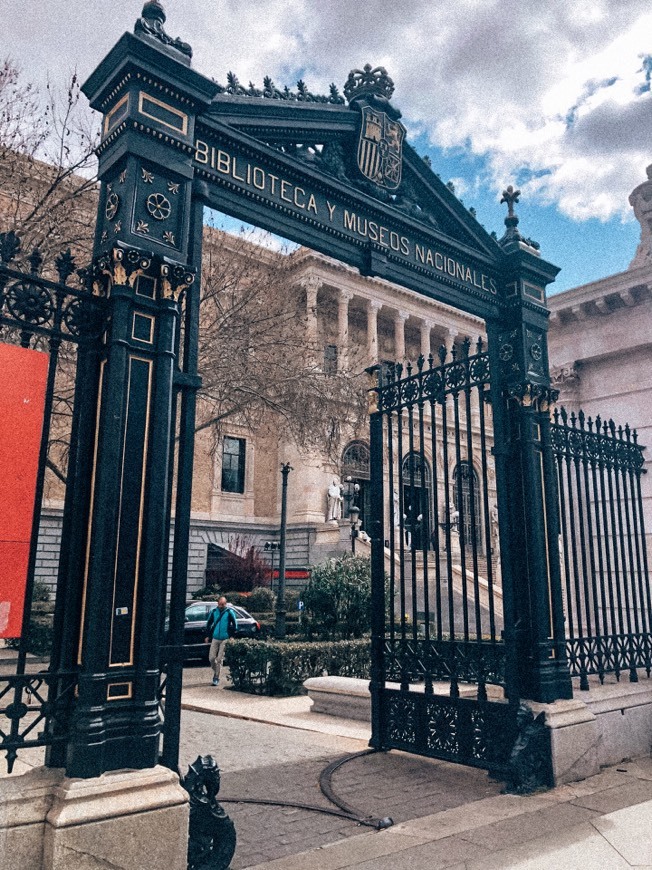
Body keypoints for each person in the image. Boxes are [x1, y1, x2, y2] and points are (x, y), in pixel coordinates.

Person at [204, 596, 237, 687]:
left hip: (225, 638)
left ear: (225, 604)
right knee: (211, 658)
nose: (221, 606)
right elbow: (208, 624)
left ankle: (216, 677)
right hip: (215, 637)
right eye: (219, 604)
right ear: (217, 604)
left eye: (222, 604)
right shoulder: (214, 612)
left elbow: (235, 625)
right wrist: (207, 635)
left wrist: (232, 636)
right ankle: (216, 671)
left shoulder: (229, 612)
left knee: (219, 659)